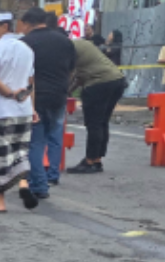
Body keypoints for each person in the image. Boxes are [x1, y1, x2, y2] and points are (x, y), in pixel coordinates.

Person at [0, 11, 38, 212]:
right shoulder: (26, 49)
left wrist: (10, 94)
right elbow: (30, 83)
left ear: (4, 27)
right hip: (23, 111)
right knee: (19, 152)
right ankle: (23, 184)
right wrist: (33, 107)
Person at [19, 8, 75, 198]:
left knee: (35, 141)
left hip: (36, 96)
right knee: (55, 136)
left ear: (27, 23)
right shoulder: (64, 41)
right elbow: (71, 68)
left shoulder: (25, 44)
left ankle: (39, 185)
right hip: (59, 94)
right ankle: (53, 174)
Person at [68, 31, 126, 174]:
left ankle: (90, 160)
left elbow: (69, 73)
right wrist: (70, 90)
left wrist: (64, 90)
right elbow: (80, 76)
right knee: (102, 122)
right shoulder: (83, 45)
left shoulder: (68, 48)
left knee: (93, 123)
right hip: (117, 80)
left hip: (99, 84)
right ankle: (97, 159)